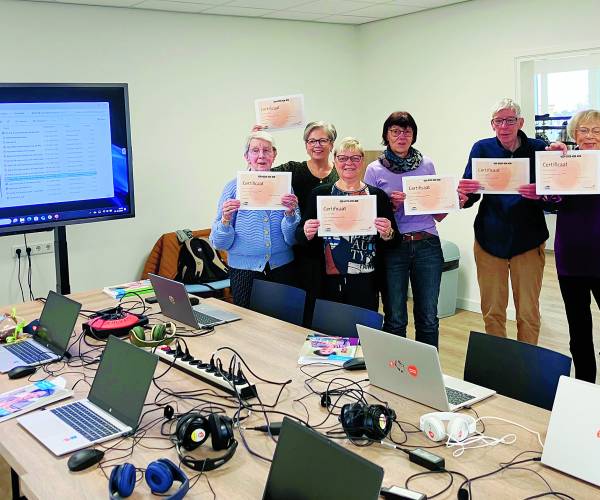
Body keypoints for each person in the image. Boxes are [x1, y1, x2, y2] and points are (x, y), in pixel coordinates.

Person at [458, 98, 550, 345]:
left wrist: (542, 194)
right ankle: (501, 366)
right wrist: (463, 194)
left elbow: (552, 197)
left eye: (510, 120)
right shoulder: (481, 149)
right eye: (499, 121)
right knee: (492, 312)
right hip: (490, 239)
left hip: (528, 240)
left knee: (528, 313)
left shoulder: (539, 148)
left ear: (520, 122)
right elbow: (470, 197)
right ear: (492, 125)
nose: (505, 126)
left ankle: (526, 366)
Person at [522, 110, 600, 382]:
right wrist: (543, 190)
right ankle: (585, 388)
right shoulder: (562, 161)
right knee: (579, 331)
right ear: (574, 133)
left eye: (597, 130)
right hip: (572, 257)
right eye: (584, 130)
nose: (590, 136)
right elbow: (552, 200)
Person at [364, 111, 446, 348]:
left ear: (413, 135)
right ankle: (395, 375)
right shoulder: (374, 169)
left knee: (428, 317)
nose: (401, 136)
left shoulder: (427, 164)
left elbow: (438, 212)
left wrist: (451, 201)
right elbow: (369, 214)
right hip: (393, 247)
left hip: (427, 243)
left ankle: (428, 377)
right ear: (386, 135)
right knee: (395, 318)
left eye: (407, 131)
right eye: (395, 131)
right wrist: (389, 204)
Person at [295, 137, 396, 311]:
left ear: (362, 161)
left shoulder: (377, 196)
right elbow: (299, 235)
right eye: (342, 158)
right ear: (334, 161)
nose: (349, 163)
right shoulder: (321, 194)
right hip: (328, 280)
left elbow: (395, 240)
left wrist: (388, 233)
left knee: (361, 330)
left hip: (366, 281)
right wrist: (306, 231)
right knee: (330, 331)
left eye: (355, 158)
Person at [256, 121, 339, 324]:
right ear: (305, 145)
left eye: (322, 140)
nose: (317, 145)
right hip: (301, 252)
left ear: (332, 143)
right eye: (311, 141)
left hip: (333, 252)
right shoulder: (292, 170)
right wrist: (258, 139)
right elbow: (259, 174)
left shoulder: (341, 173)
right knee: (304, 307)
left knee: (330, 307)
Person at [210, 132, 300, 308]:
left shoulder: (285, 187)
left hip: (282, 268)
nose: (261, 155)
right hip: (244, 271)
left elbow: (293, 239)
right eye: (255, 150)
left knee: (284, 325)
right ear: (246, 156)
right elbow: (219, 243)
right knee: (248, 327)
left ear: (274, 155)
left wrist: (290, 215)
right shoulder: (232, 188)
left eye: (267, 150)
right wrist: (226, 219)